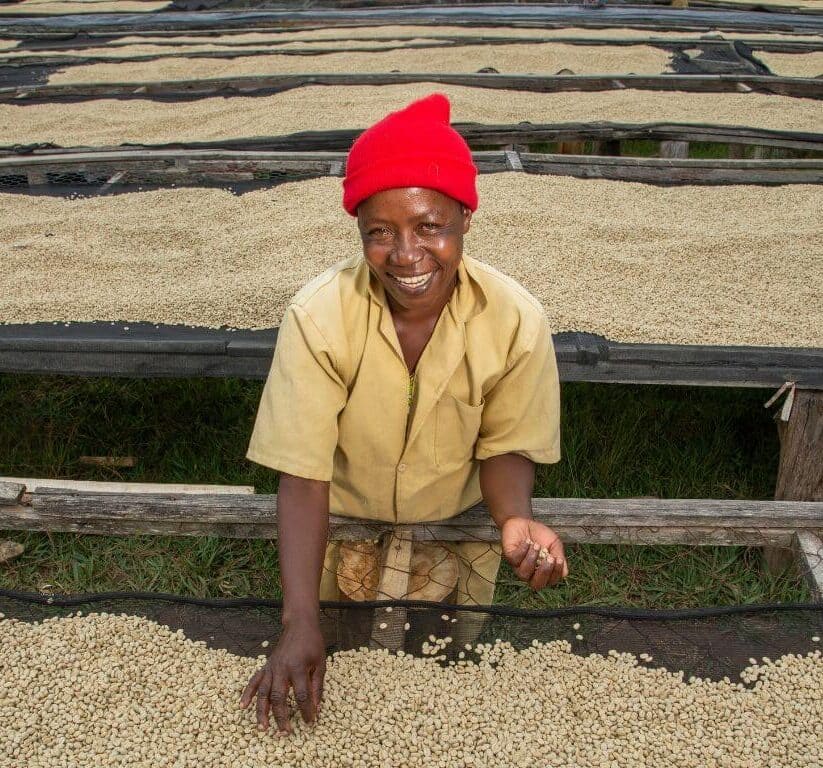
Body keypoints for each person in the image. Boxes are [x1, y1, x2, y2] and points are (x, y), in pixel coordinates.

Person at [239, 93, 567, 734]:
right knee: (346, 668)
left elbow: (505, 445)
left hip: (457, 529)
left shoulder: (515, 319)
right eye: (379, 233)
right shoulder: (319, 316)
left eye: (429, 226)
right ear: (359, 230)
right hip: (342, 532)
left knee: (447, 688)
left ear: (465, 218)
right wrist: (298, 620)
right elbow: (303, 472)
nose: (407, 255)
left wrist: (515, 519)